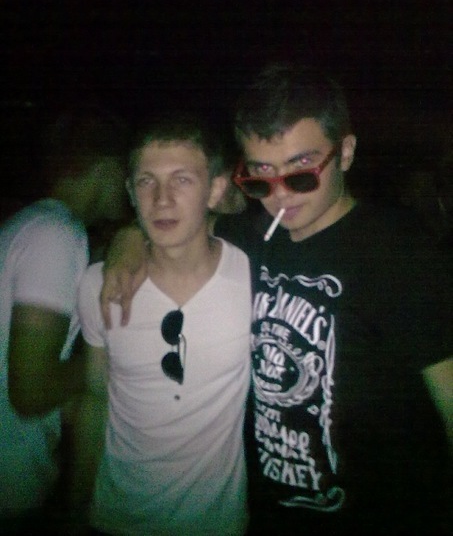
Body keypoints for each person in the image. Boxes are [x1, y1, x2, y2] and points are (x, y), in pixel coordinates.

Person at [101, 64, 452, 535]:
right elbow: (172, 225)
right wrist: (127, 242)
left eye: (301, 173)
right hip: (267, 518)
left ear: (346, 152)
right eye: (262, 175)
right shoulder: (254, 237)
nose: (281, 194)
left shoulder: (400, 254)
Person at [71, 112, 252, 535]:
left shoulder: (252, 276)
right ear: (130, 194)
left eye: (182, 180)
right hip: (115, 518)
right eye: (146, 181)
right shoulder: (98, 284)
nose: (162, 199)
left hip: (217, 524)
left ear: (215, 189)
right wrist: (75, 507)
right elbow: (96, 401)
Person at [0, 101, 129, 534]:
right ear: (107, 168)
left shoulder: (30, 225)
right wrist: (110, 360)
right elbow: (31, 390)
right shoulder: (56, 234)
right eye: (128, 174)